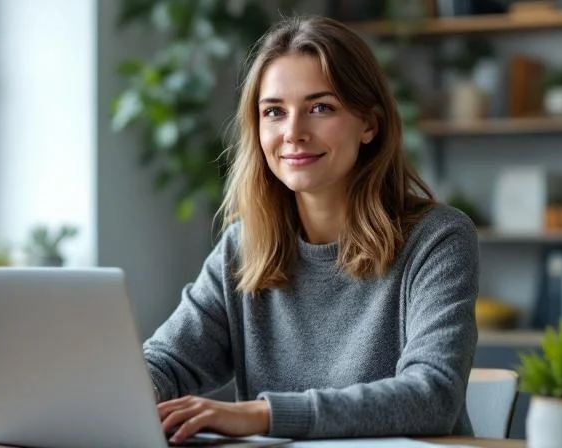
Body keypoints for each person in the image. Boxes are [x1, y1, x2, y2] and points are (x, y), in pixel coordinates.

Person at [143, 14, 479, 444]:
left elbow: (432, 397)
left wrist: (264, 415)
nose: (293, 133)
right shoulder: (244, 247)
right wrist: (128, 392)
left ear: (369, 124)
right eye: (274, 112)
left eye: (320, 108)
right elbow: (166, 361)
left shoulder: (438, 240)